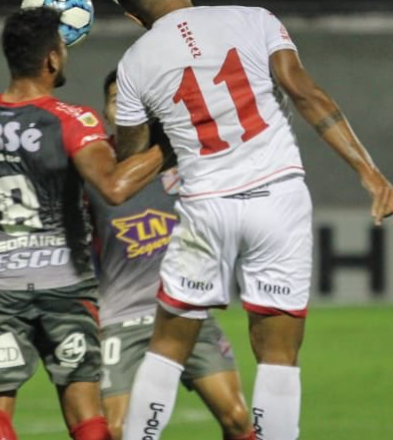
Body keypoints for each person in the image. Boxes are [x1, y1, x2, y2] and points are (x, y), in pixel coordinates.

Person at [109, 2, 393, 439]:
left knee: (168, 349)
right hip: (277, 198)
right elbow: (304, 91)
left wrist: (175, 132)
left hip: (206, 205)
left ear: (132, 15)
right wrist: (368, 171)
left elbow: (131, 156)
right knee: (278, 357)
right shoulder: (253, 18)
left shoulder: (134, 62)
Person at [0, 7, 165, 440]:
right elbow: (115, 188)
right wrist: (166, 149)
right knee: (86, 415)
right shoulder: (74, 121)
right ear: (52, 60)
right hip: (66, 286)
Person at [89, 70, 252, 440]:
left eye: (135, 102)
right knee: (116, 431)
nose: (127, 108)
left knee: (238, 419)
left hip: (184, 310)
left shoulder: (186, 159)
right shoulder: (95, 169)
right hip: (122, 319)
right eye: (117, 100)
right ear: (106, 112)